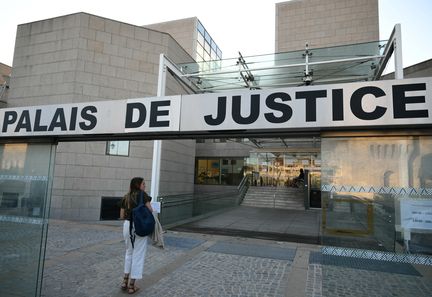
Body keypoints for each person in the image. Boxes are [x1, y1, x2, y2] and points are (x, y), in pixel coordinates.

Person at [119, 177, 153, 294]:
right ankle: (132, 286)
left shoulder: (126, 196)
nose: (145, 186)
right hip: (139, 226)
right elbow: (150, 209)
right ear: (138, 185)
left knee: (129, 252)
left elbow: (122, 215)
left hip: (127, 225)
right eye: (144, 184)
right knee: (138, 254)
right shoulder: (143, 195)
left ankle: (124, 281)